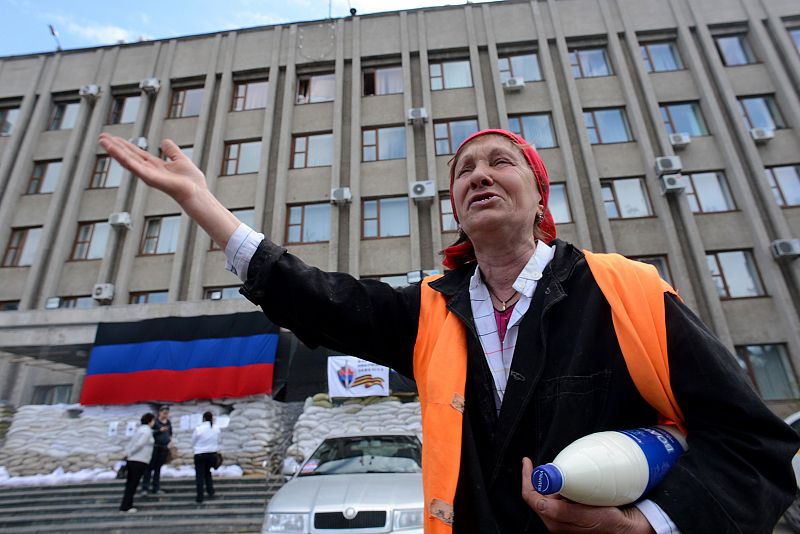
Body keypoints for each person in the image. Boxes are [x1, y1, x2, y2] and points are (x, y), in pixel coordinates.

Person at [99, 129, 799, 533]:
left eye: (500, 162)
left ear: (539, 196)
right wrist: (202, 202)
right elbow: (317, 298)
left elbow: (754, 445)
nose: (478, 175)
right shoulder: (431, 309)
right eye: (464, 170)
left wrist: (645, 525)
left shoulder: (627, 292)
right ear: (457, 208)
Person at [120, 412, 155, 513]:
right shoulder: (146, 431)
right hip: (139, 460)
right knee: (133, 484)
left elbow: (132, 443)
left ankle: (126, 505)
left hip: (133, 460)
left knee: (130, 484)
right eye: (153, 420)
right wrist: (129, 453)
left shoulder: (139, 430)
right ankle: (126, 506)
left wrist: (127, 453)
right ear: (150, 421)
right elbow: (140, 444)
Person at [142, 404, 173, 495]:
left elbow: (170, 433)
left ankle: (156, 487)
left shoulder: (168, 422)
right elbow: (149, 432)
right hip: (154, 447)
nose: (165, 415)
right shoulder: (155, 422)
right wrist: (159, 430)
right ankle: (145, 488)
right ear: (160, 413)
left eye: (167, 413)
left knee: (158, 468)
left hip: (164, 448)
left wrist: (170, 441)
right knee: (149, 468)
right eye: (164, 413)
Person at [191, 411, 221, 504]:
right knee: (208, 473)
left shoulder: (199, 429)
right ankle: (210, 491)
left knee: (200, 475)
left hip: (200, 454)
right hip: (212, 454)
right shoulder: (216, 428)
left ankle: (200, 496)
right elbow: (218, 440)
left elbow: (193, 441)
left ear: (203, 418)